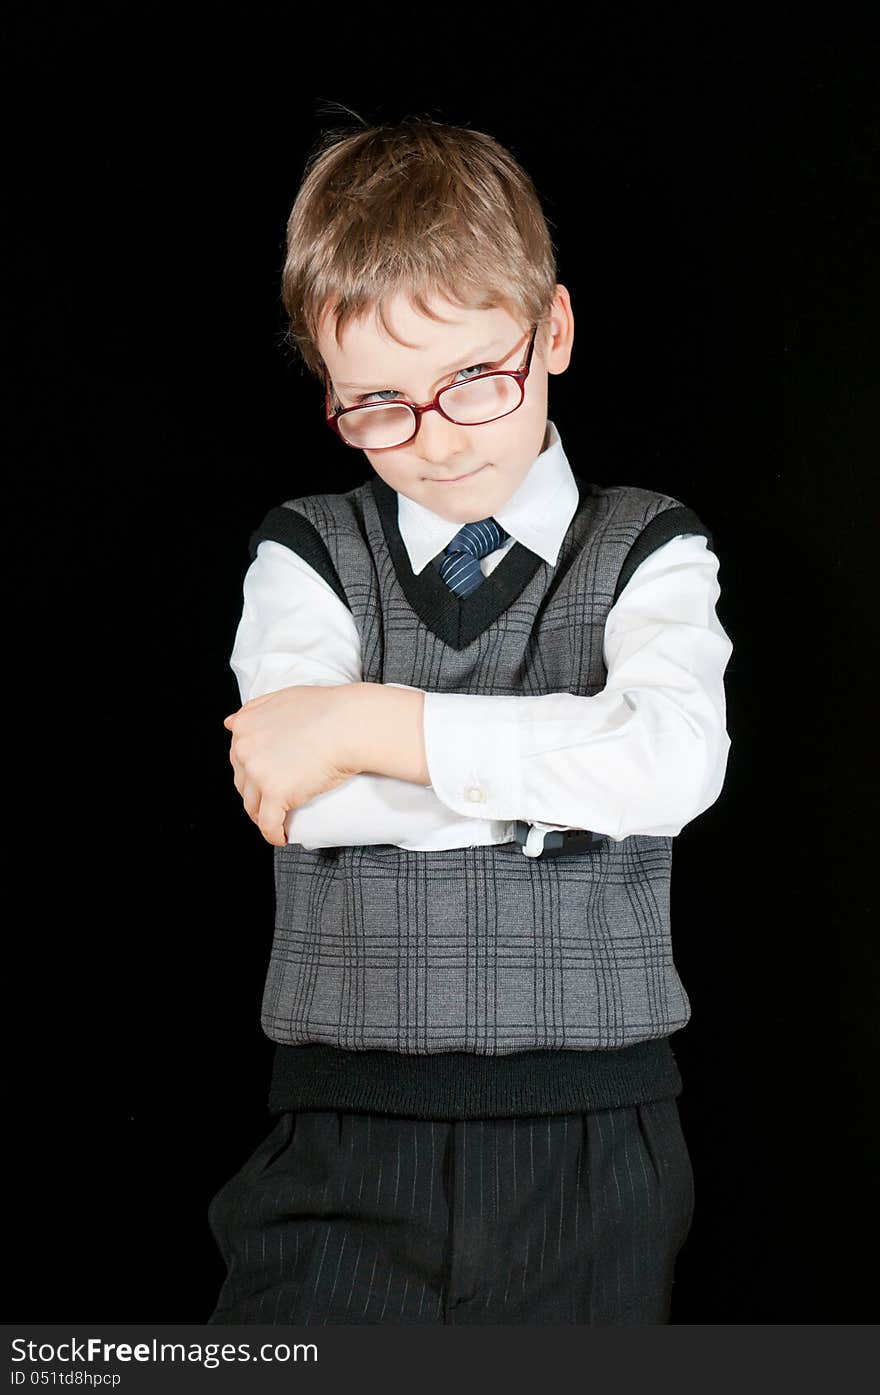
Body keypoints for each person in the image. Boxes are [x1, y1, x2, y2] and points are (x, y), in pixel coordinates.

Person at [205, 115, 733, 1326]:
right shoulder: (308, 553)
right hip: (344, 1127)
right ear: (325, 387)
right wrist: (565, 791)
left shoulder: (649, 545)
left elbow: (673, 764)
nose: (435, 440)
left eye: (472, 380)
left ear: (550, 331)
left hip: (597, 1138)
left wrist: (369, 720)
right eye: (377, 402)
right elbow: (307, 793)